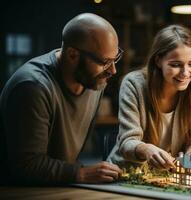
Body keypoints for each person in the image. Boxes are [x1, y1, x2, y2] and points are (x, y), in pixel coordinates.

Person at [0, 13, 123, 185]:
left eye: (115, 58)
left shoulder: (93, 81)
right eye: (105, 62)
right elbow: (25, 165)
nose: (113, 71)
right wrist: (81, 174)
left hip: (60, 186)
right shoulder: (33, 87)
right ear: (72, 55)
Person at [107, 25, 191, 169]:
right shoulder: (133, 84)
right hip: (124, 173)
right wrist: (147, 149)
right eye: (176, 65)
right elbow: (127, 143)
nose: (185, 73)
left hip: (166, 177)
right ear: (158, 61)